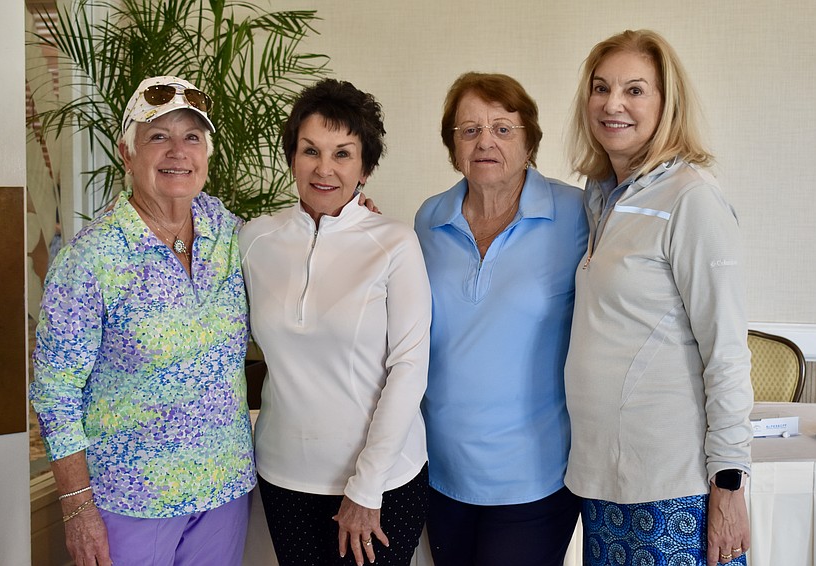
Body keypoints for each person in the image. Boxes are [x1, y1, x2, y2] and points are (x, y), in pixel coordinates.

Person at [30, 75, 255, 565]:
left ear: (207, 155)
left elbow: (301, 250)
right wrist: (76, 508)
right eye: (158, 136)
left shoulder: (229, 231)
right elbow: (55, 390)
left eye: (192, 137)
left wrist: (349, 217)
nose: (178, 151)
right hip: (130, 501)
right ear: (127, 153)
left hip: (224, 488)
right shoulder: (91, 257)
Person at [564, 29, 753, 566]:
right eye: (600, 88)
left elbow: (727, 350)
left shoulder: (692, 198)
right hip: (604, 482)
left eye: (635, 90)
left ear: (666, 104)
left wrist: (730, 483)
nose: (612, 104)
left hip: (676, 488)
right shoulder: (599, 198)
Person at [239, 78, 431, 566]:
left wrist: (366, 487)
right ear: (292, 158)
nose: (324, 169)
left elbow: (409, 368)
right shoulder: (253, 240)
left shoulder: (395, 242)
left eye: (343, 154)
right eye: (311, 151)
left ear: (365, 167)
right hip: (285, 478)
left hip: (382, 483)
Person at [414, 72, 588, 566]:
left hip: (536, 474)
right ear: (453, 146)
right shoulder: (428, 219)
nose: (485, 141)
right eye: (468, 130)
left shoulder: (577, 213)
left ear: (530, 139)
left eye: (502, 129)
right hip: (442, 467)